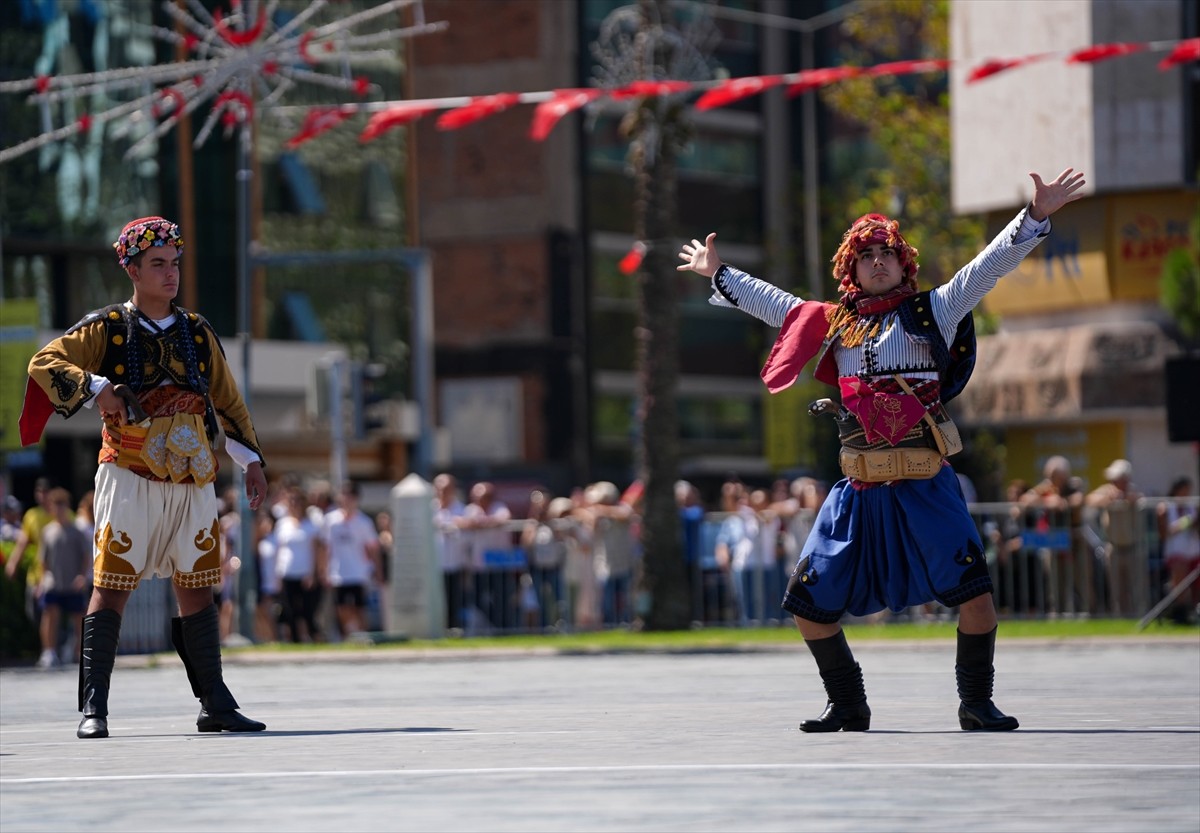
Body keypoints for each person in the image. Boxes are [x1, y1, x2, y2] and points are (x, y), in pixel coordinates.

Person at [678, 167, 1085, 732]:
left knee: (978, 600)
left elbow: (987, 269)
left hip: (926, 485)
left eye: (886, 253)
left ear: (903, 264)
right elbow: (774, 303)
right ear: (851, 268)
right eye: (865, 254)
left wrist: (1035, 216)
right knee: (807, 607)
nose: (876, 261)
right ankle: (847, 703)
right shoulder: (831, 323)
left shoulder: (933, 312)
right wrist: (718, 271)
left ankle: (976, 703)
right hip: (858, 493)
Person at [18, 215, 268, 738]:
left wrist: (253, 463)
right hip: (128, 476)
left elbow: (226, 399)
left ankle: (214, 703)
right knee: (111, 588)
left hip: (193, 480)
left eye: (174, 263)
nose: (170, 273)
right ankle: (94, 708)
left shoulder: (197, 332)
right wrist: (96, 387)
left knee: (198, 587)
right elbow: (44, 362)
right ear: (132, 269)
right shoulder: (106, 328)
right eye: (157, 264)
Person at [34, 488, 90, 669]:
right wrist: (43, 579)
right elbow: (43, 559)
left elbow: (85, 556)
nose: (58, 509)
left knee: (79, 618)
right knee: (49, 614)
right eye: (54, 505)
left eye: (61, 505)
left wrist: (82, 576)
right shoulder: (48, 532)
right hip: (54, 582)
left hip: (73, 582)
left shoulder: (76, 531)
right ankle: (49, 652)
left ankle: (82, 652)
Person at [320, 480, 382, 638]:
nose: (346, 499)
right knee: (341, 607)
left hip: (359, 571)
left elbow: (373, 548)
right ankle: (349, 633)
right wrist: (324, 569)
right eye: (343, 495)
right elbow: (326, 547)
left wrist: (378, 570)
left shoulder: (364, 522)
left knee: (359, 607)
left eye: (350, 495)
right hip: (338, 571)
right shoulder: (331, 520)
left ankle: (363, 635)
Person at [1085, 459, 1143, 616]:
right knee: (1116, 589)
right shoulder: (1106, 491)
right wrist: (1107, 499)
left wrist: (1130, 499)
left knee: (1134, 588)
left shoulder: (1133, 492)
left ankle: (1136, 615)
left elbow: (1141, 501)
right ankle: (1119, 617)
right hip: (1113, 547)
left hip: (1132, 547)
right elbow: (1089, 500)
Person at [274, 486, 325, 643]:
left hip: (305, 573)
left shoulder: (312, 525)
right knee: (289, 610)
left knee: (307, 610)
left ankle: (315, 637)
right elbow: (279, 550)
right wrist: (277, 573)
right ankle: (295, 640)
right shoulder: (282, 524)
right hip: (288, 572)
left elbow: (318, 550)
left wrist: (314, 572)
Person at [1157, 477, 1199, 624]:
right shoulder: (1166, 507)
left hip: (1193, 549)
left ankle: (1194, 610)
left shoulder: (1192, 506)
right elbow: (1164, 533)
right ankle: (1180, 612)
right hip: (1176, 550)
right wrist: (1184, 523)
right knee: (1179, 582)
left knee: (1196, 582)